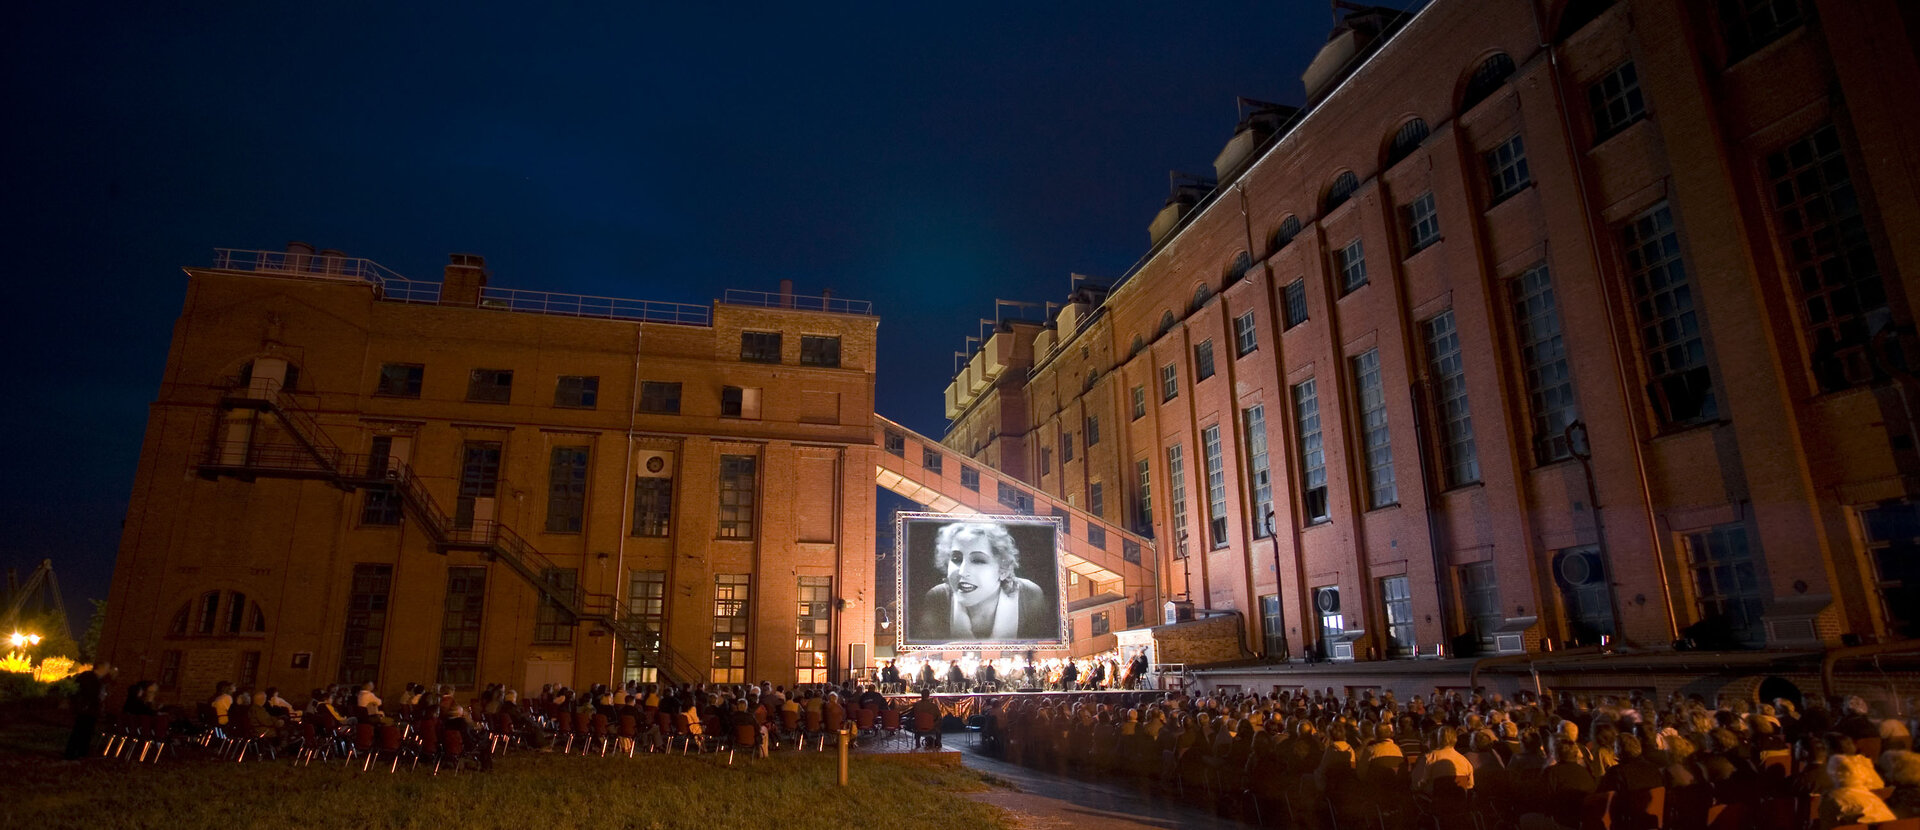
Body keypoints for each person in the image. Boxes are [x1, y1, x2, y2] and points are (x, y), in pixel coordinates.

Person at [913, 522, 1051, 641]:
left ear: (1003, 569)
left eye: (978, 560)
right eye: (956, 559)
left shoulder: (1030, 595)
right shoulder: (937, 598)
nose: (962, 571)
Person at [65, 662, 114, 759]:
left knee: (80, 731)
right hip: (88, 709)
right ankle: (77, 753)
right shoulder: (92, 679)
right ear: (101, 668)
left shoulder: (90, 677)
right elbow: (92, 695)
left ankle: (74, 752)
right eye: (107, 668)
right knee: (83, 732)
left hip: (85, 709)